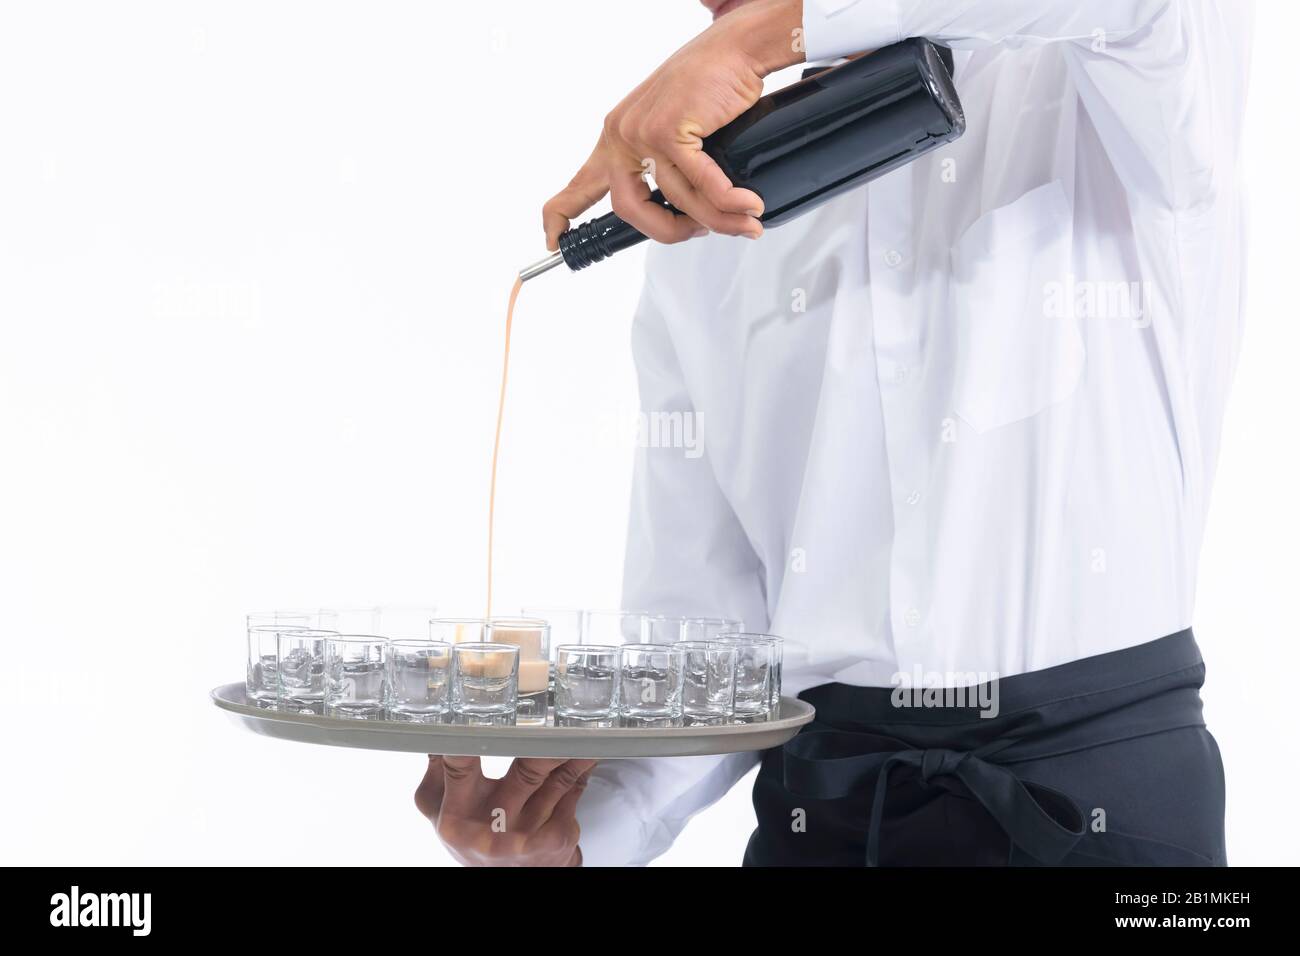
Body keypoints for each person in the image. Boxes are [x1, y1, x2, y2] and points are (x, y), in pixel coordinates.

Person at [416, 0, 1252, 866]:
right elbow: (717, 651)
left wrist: (770, 32)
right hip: (827, 821)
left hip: (1104, 818)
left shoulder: (1113, 71)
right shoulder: (705, 223)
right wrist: (574, 836)